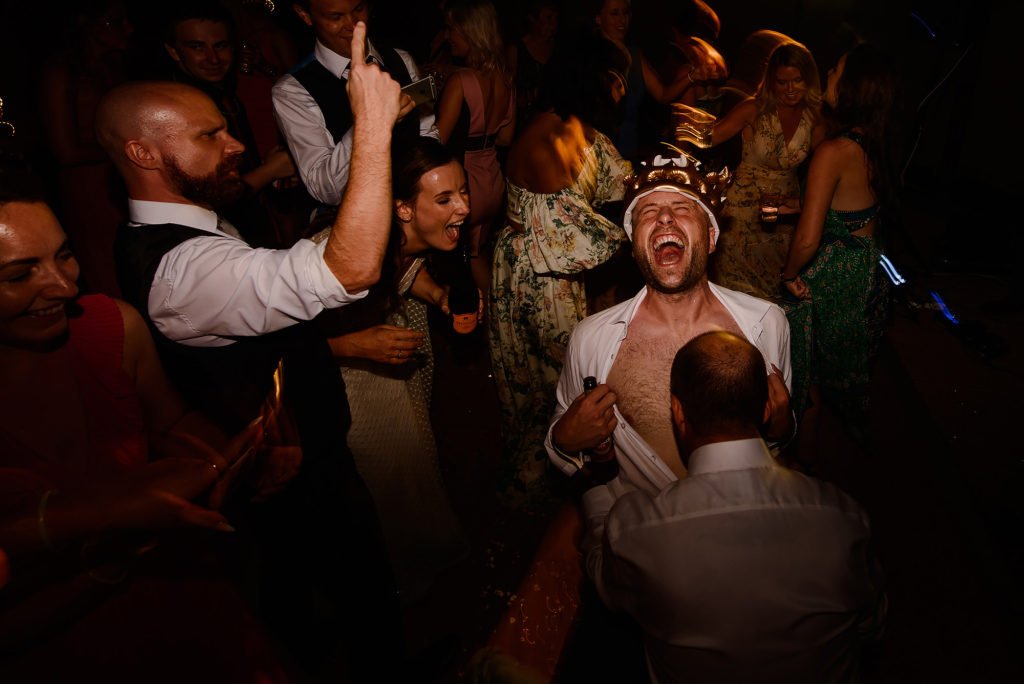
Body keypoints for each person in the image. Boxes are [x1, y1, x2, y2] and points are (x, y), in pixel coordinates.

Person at [97, 24, 407, 678]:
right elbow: (347, 269)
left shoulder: (199, 219)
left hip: (297, 447)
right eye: (210, 136)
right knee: (322, 603)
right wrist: (372, 126)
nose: (235, 144)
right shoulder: (181, 270)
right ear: (142, 152)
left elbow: (263, 324)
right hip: (284, 473)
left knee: (340, 590)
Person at [0, 178, 284, 681]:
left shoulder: (111, 325)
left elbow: (171, 421)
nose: (65, 287)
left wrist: (228, 456)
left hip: (183, 589)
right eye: (21, 275)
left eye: (64, 256)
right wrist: (110, 558)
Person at [580, 331, 886, 683]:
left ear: (677, 411)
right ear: (768, 406)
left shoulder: (638, 530)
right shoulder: (843, 516)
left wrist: (597, 493)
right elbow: (870, 622)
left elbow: (602, 574)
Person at [547, 153, 794, 497]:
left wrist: (781, 427)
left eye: (682, 208)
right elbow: (566, 436)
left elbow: (775, 450)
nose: (664, 217)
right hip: (636, 540)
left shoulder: (767, 325)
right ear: (634, 248)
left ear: (710, 238)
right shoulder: (591, 338)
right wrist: (563, 440)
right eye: (648, 211)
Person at [317, 138, 469, 604]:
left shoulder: (403, 238)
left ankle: (422, 567)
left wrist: (438, 297)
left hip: (394, 350)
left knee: (414, 460)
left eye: (462, 191)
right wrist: (354, 344)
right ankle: (388, 589)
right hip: (351, 377)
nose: (463, 208)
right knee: (386, 478)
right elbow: (275, 343)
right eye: (444, 199)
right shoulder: (334, 252)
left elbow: (402, 270)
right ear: (403, 208)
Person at [489, 41, 632, 505]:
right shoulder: (546, 139)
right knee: (551, 377)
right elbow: (579, 234)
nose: (623, 89)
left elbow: (621, 183)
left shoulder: (583, 130)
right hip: (535, 277)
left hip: (566, 269)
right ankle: (536, 479)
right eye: (615, 78)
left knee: (568, 369)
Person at [781, 43, 899, 439]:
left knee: (807, 371)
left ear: (854, 87)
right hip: (867, 273)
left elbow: (808, 239)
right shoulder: (872, 141)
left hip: (835, 278)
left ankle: (805, 462)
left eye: (836, 71)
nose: (829, 74)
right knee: (839, 372)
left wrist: (788, 274)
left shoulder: (832, 151)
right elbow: (851, 213)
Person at [163, 0, 300, 247]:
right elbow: (203, 200)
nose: (213, 58)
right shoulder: (179, 108)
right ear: (174, 51)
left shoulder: (224, 92)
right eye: (197, 47)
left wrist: (269, 167)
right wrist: (270, 171)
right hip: (220, 245)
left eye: (221, 46)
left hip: (256, 231)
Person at [273, 0, 437, 206]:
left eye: (359, 9)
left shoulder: (400, 59)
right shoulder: (292, 91)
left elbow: (428, 135)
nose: (353, 24)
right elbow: (326, 190)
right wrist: (368, 122)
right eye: (336, 17)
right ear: (305, 15)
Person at [710, 40, 825, 302]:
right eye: (782, 82)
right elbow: (709, 139)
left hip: (782, 220)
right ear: (771, 80)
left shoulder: (815, 118)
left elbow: (821, 170)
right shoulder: (753, 109)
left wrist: (804, 204)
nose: (790, 89)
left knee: (772, 296)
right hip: (739, 218)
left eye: (797, 80)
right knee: (734, 295)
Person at [37, 0, 134, 297]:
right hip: (90, 186)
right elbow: (64, 151)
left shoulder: (116, 67)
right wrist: (124, 149)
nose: (127, 29)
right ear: (86, 23)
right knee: (107, 263)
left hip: (123, 177)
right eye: (114, 21)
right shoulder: (60, 72)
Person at [435, 0, 515, 297]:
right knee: (477, 254)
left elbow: (438, 140)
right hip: (493, 181)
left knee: (459, 261)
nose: (447, 37)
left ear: (469, 32)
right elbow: (506, 137)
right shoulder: (506, 80)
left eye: (451, 30)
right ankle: (499, 320)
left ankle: (476, 322)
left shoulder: (461, 80)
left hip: (465, 181)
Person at [592, 0, 722, 162]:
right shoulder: (591, 58)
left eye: (626, 13)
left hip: (629, 151)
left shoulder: (635, 55)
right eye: (614, 13)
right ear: (598, 18)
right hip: (599, 151)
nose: (622, 20)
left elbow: (662, 95)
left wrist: (692, 77)